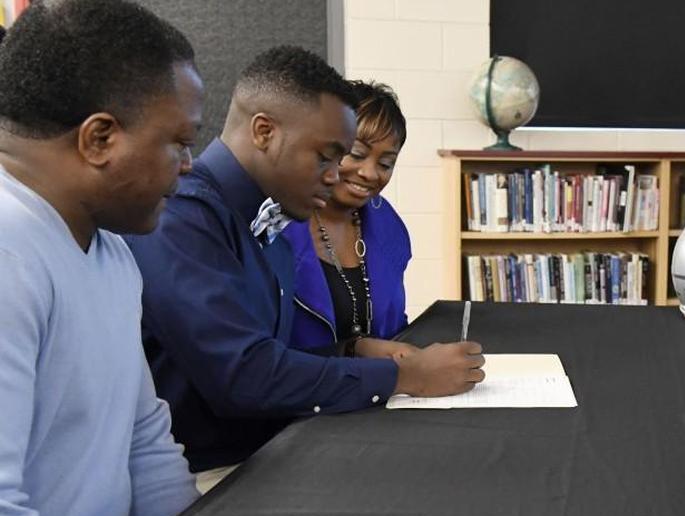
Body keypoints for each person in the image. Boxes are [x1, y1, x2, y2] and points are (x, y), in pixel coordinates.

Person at [126, 47, 484, 489]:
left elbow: (264, 354)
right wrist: (404, 376)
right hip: (208, 472)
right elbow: (243, 376)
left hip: (276, 446)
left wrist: (350, 350)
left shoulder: (269, 216)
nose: (338, 176)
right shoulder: (184, 217)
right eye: (327, 157)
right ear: (264, 132)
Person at [0, 2, 203, 516]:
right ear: (99, 139)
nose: (188, 165)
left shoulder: (112, 249)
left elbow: (143, 436)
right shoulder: (10, 256)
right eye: (178, 142)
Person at [282, 82, 415, 356]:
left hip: (381, 391)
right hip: (302, 391)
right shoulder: (276, 226)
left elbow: (395, 325)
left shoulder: (387, 224)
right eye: (357, 154)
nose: (370, 173)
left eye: (385, 163)